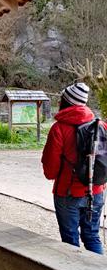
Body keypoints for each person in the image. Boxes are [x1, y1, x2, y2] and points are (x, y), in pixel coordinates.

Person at [42, 82, 106, 254]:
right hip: (96, 191)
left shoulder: (59, 129)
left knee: (70, 241)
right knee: (92, 236)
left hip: (67, 194)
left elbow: (50, 171)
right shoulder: (101, 125)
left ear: (66, 102)